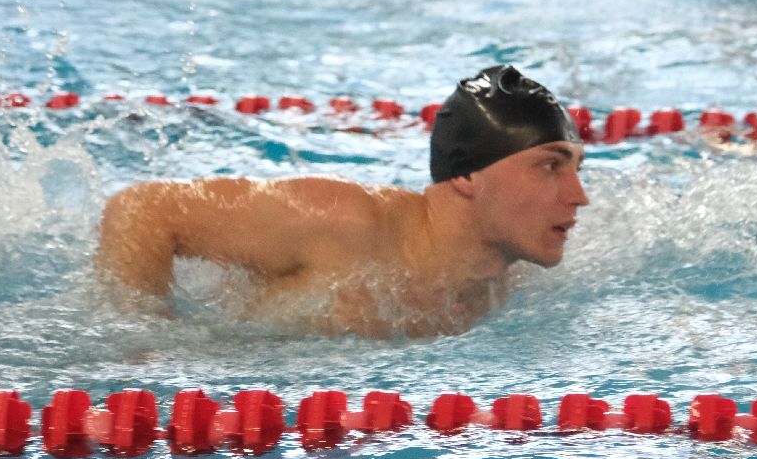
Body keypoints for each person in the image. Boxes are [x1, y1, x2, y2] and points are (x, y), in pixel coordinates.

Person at [95, 65, 589, 338]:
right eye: (550, 166)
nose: (579, 196)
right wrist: (146, 342)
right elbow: (141, 210)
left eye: (577, 170)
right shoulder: (344, 224)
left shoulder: (509, 278)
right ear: (466, 176)